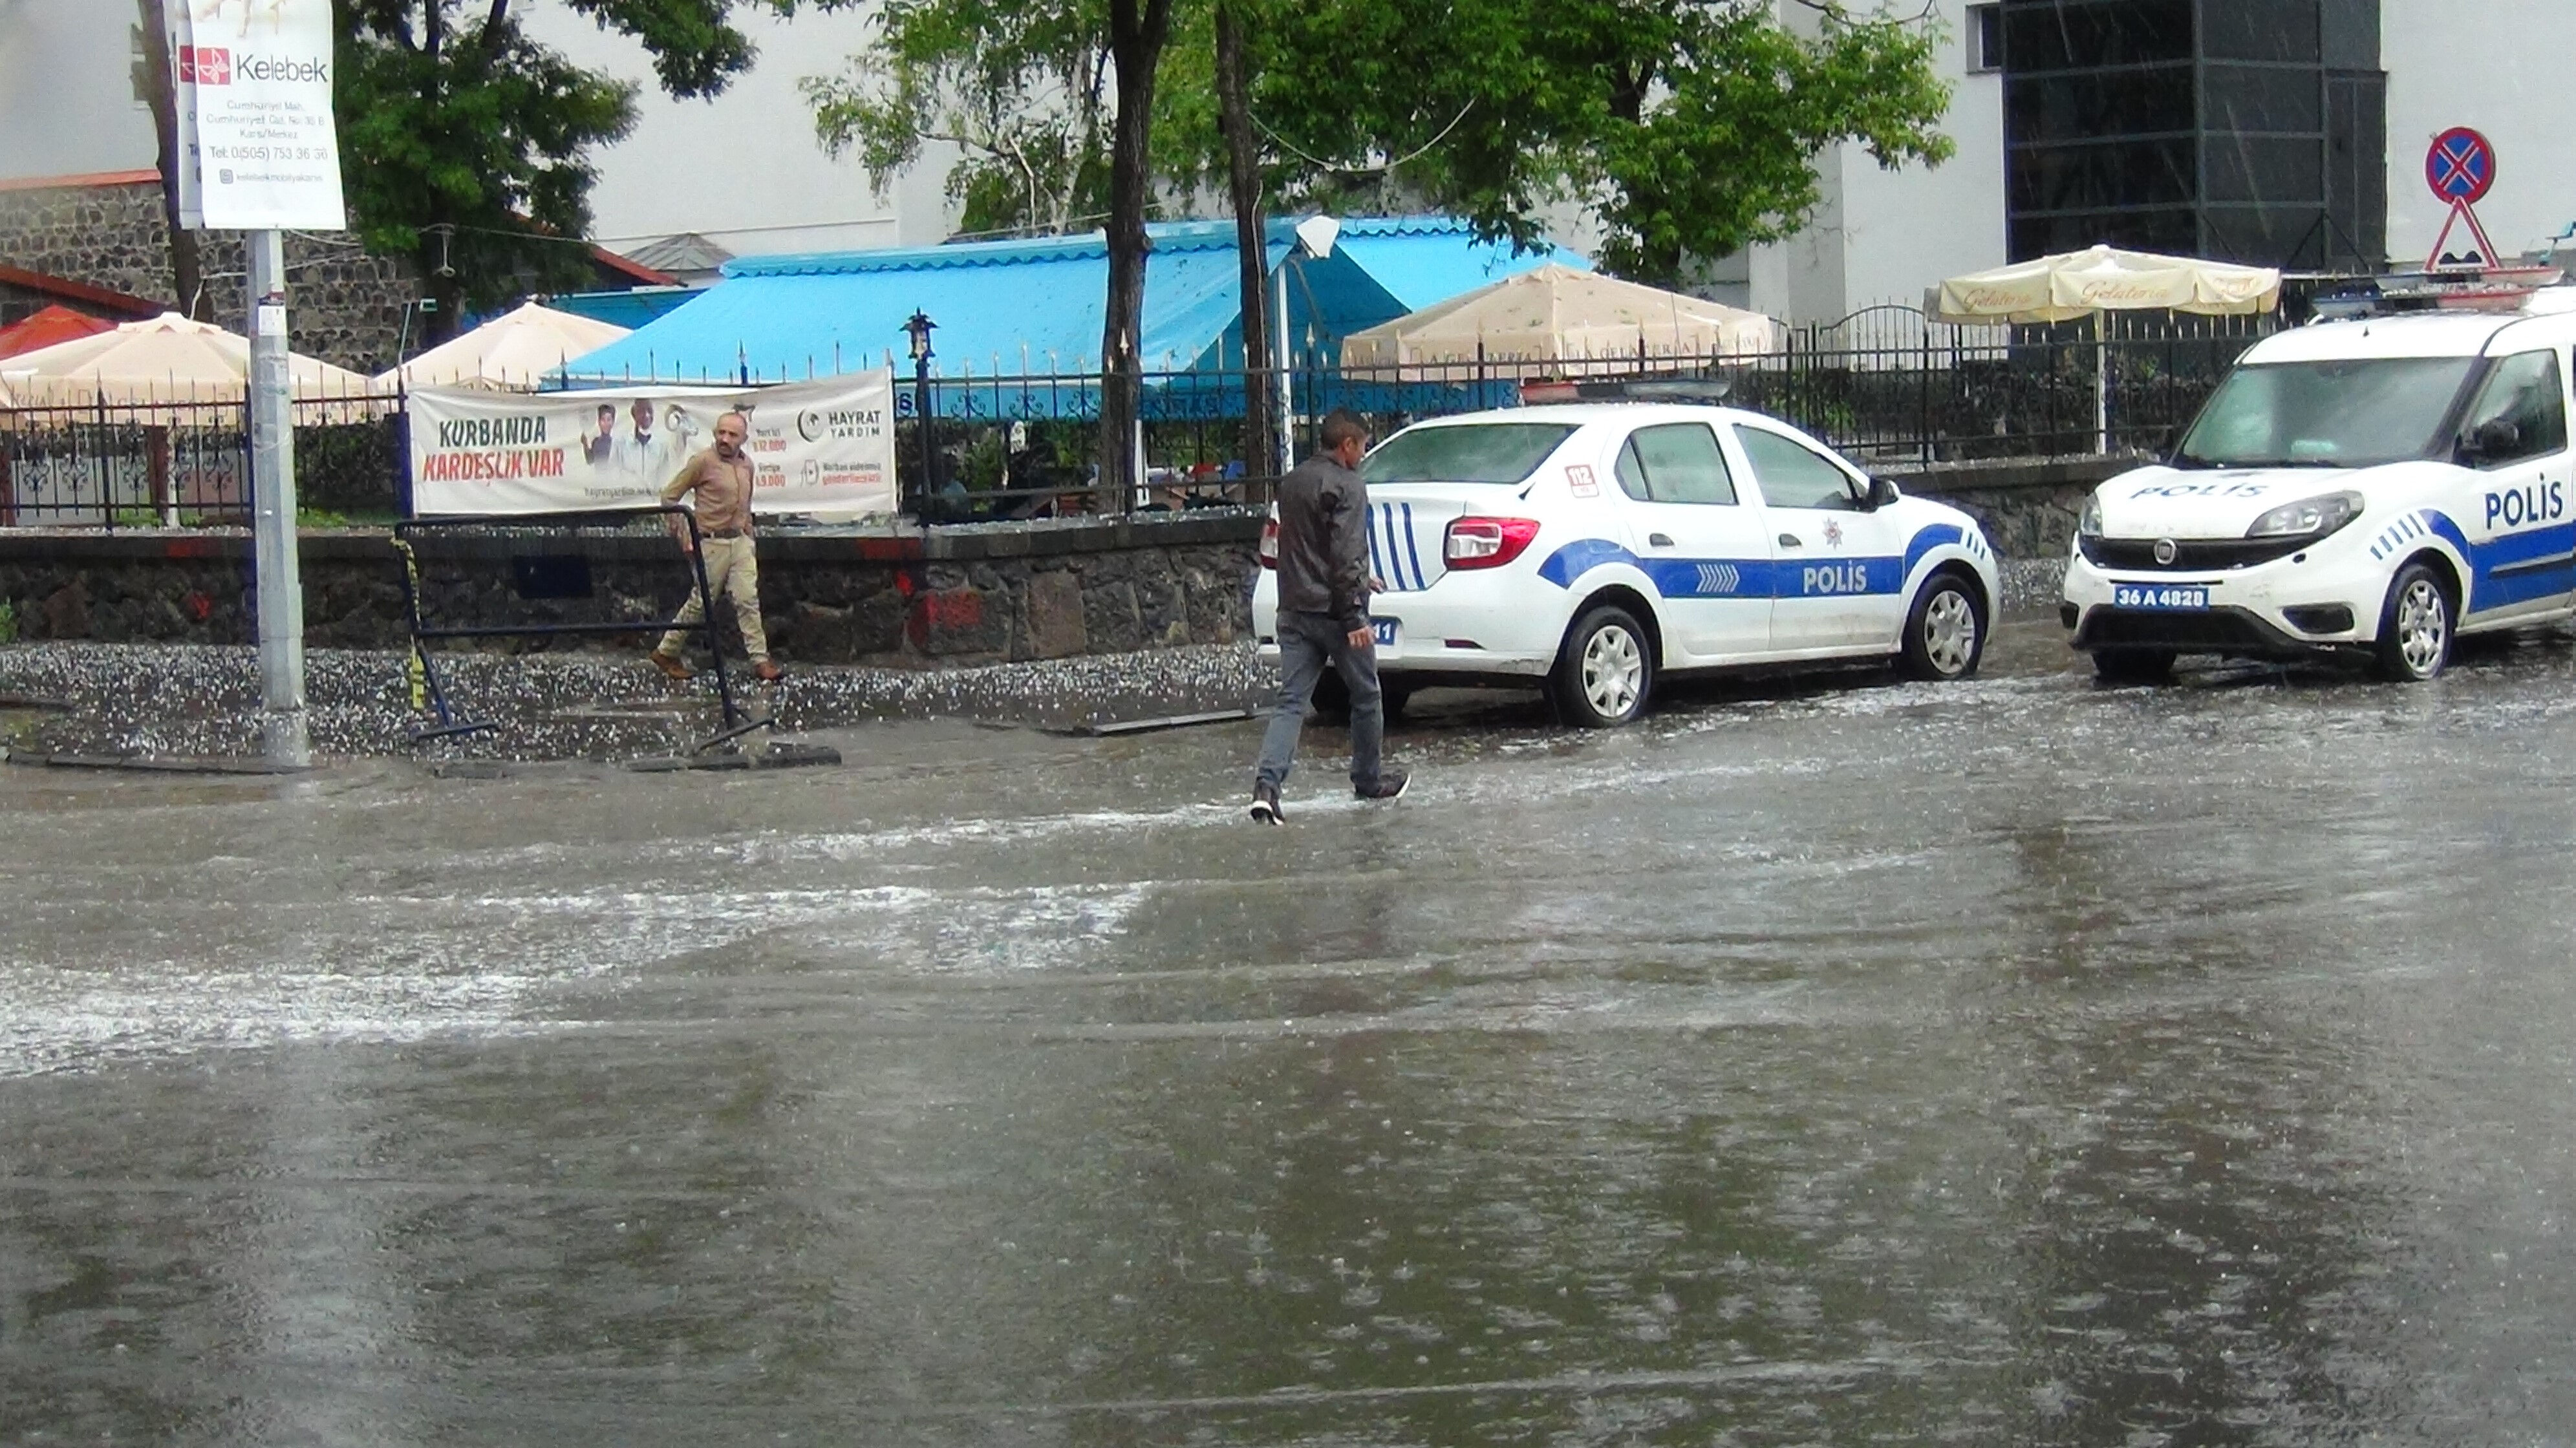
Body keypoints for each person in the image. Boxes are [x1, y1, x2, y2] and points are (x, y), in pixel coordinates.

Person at [1249, 409, 1407, 822]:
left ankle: (1267, 786)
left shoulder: (1292, 481)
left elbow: (1302, 545)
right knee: (1367, 695)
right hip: (1336, 614)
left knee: (1291, 701)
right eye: (1364, 445)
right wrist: (1354, 614)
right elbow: (1345, 549)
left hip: (1295, 608)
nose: (1364, 453)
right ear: (1347, 445)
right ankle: (1369, 781)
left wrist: (1360, 580)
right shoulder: (1349, 485)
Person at [646, 410, 786, 685]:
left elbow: (747, 505)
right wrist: (682, 533)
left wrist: (750, 539)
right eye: (721, 432)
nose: (725, 438)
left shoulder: (747, 466)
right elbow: (669, 496)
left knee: (748, 600)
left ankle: (760, 660)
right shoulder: (702, 462)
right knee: (701, 601)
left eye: (732, 435)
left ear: (743, 438)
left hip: (739, 541)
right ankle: (666, 651)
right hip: (710, 542)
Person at [615, 398, 668, 482]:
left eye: (650, 411)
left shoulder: (662, 447)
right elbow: (613, 477)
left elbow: (664, 477)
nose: (647, 415)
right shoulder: (621, 445)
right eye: (642, 411)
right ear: (634, 414)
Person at [583, 403, 617, 468]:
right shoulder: (596, 442)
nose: (606, 423)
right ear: (599, 422)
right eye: (603, 420)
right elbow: (590, 460)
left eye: (609, 420)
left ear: (613, 422)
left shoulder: (615, 444)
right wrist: (585, 444)